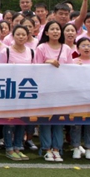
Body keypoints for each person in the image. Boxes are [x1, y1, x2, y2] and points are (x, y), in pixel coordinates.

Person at [33, 21, 72, 162]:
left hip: (61, 90)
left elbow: (71, 69)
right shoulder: (41, 48)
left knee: (58, 121)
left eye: (58, 29)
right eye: (52, 29)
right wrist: (47, 63)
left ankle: (57, 149)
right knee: (46, 120)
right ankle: (46, 148)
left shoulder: (66, 48)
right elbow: (35, 67)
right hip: (45, 89)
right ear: (46, 32)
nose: (55, 31)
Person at [0, 25, 35, 161]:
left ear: (27, 36)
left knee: (22, 120)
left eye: (23, 34)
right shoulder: (6, 51)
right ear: (13, 36)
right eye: (18, 34)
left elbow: (35, 71)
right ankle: (9, 148)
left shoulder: (31, 52)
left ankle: (18, 147)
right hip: (10, 91)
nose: (21, 37)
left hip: (25, 91)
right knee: (10, 121)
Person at [69, 37, 90, 160]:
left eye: (88, 45)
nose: (86, 48)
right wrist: (73, 67)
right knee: (76, 124)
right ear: (77, 49)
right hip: (77, 98)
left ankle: (89, 148)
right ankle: (76, 147)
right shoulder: (72, 62)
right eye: (83, 45)